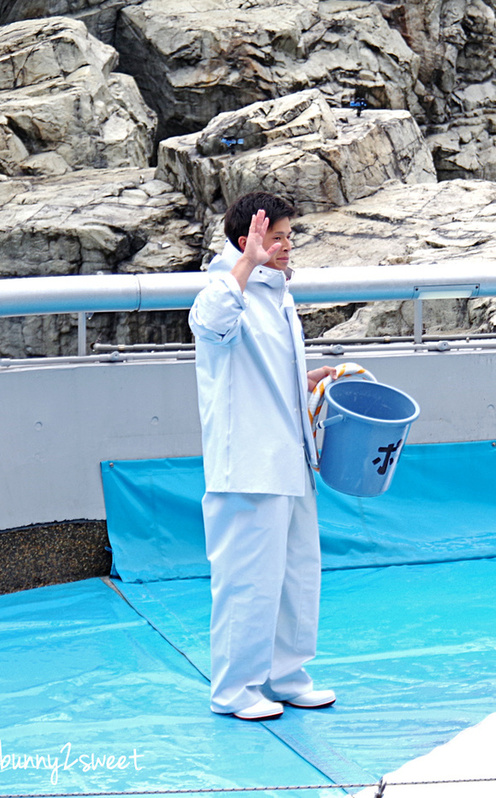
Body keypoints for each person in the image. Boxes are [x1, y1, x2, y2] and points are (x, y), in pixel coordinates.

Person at [188, 192, 337, 721]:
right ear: (244, 242)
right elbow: (210, 326)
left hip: (290, 460)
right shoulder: (225, 289)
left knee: (298, 574)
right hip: (248, 466)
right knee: (248, 580)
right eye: (276, 237)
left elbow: (262, 374)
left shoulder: (278, 297)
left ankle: (285, 675)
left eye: (287, 236)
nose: (285, 245)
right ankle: (234, 690)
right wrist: (246, 263)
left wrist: (305, 382)